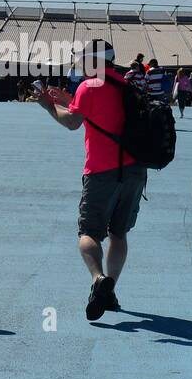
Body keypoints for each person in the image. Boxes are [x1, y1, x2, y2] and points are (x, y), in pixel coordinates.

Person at [36, 39, 144, 321]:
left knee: (89, 233)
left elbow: (73, 123)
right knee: (119, 234)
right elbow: (102, 114)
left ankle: (98, 279)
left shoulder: (88, 85)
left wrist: (49, 106)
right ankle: (110, 291)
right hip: (134, 171)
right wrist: (67, 101)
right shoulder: (126, 83)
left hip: (101, 171)